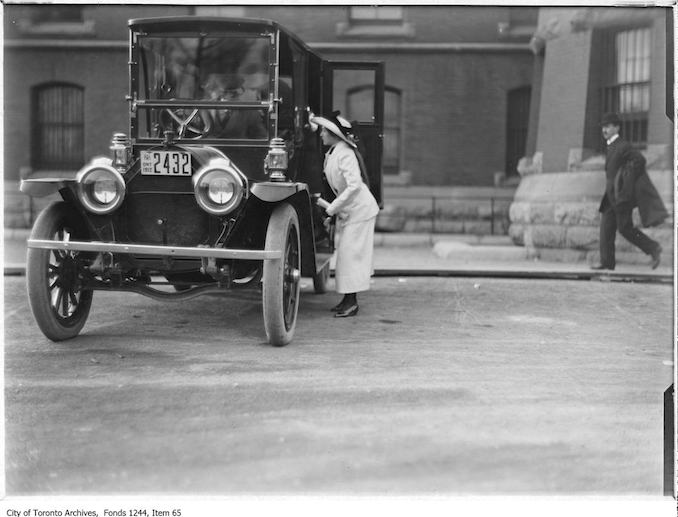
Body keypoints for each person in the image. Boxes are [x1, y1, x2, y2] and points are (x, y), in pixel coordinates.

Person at [311, 111, 379, 318]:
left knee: (352, 255)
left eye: (325, 130)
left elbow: (354, 186)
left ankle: (352, 302)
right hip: (352, 211)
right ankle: (347, 299)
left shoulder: (345, 153)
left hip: (361, 210)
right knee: (347, 256)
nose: (321, 134)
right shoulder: (334, 152)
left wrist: (332, 208)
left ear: (333, 134)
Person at [592, 112, 667, 270]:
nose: (604, 130)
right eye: (603, 127)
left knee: (625, 228)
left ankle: (653, 248)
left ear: (617, 127)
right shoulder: (611, 146)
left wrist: (626, 180)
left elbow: (640, 160)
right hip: (610, 197)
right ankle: (607, 263)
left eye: (608, 126)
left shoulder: (622, 145)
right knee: (606, 229)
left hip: (620, 196)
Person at [202, 73, 267, 139]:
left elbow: (260, 136)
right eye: (225, 93)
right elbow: (194, 132)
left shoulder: (249, 111)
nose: (230, 96)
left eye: (234, 93)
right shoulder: (205, 107)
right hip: (209, 148)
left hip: (237, 148)